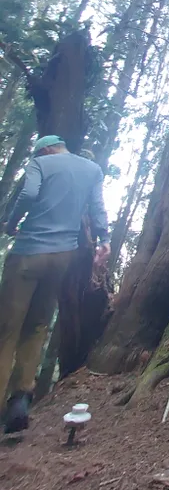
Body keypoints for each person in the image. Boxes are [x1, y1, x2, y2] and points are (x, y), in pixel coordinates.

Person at [0, 134, 109, 433]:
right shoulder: (91, 169)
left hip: (28, 253)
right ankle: (20, 399)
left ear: (46, 149)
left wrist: (12, 222)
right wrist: (106, 239)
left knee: (7, 328)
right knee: (37, 327)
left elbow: (30, 194)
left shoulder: (40, 163)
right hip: (62, 257)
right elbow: (97, 207)